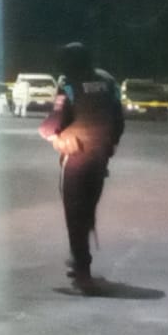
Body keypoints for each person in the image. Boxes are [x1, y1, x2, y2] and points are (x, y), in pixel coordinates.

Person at [38, 42, 125, 296]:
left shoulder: (69, 83)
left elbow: (57, 119)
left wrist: (47, 132)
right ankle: (78, 261)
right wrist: (109, 145)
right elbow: (118, 118)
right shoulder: (108, 81)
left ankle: (83, 272)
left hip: (75, 157)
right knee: (87, 210)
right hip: (100, 157)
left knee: (74, 214)